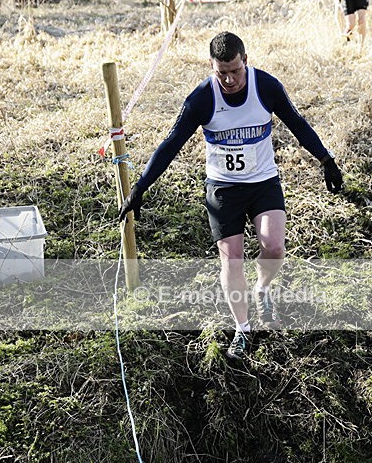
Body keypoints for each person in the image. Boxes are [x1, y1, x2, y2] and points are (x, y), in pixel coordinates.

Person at [118, 32, 343, 360]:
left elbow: (297, 123)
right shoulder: (202, 98)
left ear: (245, 61)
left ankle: (262, 289)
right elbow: (172, 142)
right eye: (220, 72)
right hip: (223, 189)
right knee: (232, 258)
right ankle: (242, 328)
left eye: (234, 71)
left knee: (275, 246)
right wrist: (141, 186)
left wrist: (326, 159)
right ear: (212, 67)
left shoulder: (265, 87)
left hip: (263, 182)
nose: (228, 79)